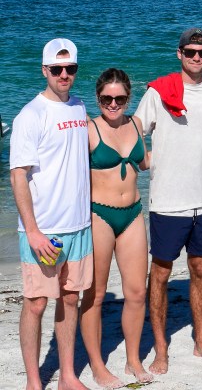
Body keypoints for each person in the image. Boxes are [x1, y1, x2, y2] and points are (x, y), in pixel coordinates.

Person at [134, 27, 202, 374]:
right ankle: (161, 348)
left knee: (200, 270)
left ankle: (201, 341)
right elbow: (133, 133)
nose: (197, 57)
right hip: (167, 201)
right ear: (179, 54)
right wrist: (146, 160)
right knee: (161, 275)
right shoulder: (158, 92)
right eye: (190, 51)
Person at [10, 38, 93, 390]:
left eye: (70, 69)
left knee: (71, 298)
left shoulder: (79, 106)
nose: (64, 75)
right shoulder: (31, 114)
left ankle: (68, 376)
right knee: (36, 303)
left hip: (79, 226)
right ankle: (33, 381)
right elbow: (18, 175)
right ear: (44, 70)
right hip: (44, 230)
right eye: (56, 69)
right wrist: (32, 231)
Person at [79, 69, 151, 388]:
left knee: (136, 292)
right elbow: (68, 174)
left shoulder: (135, 124)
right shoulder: (88, 129)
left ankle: (133, 359)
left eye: (119, 98)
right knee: (94, 296)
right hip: (99, 216)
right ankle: (97, 365)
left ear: (128, 98)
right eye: (106, 98)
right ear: (98, 98)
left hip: (133, 213)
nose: (113, 103)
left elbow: (146, 162)